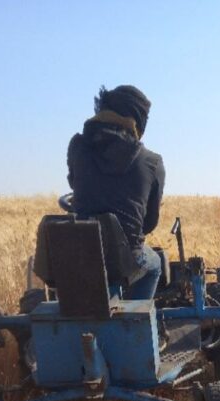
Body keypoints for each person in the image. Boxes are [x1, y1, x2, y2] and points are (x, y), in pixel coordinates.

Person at [66, 85, 165, 300]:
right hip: (126, 257)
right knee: (156, 264)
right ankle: (136, 319)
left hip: (79, 251)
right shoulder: (152, 162)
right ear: (138, 120)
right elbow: (149, 224)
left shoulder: (77, 147)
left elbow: (74, 184)